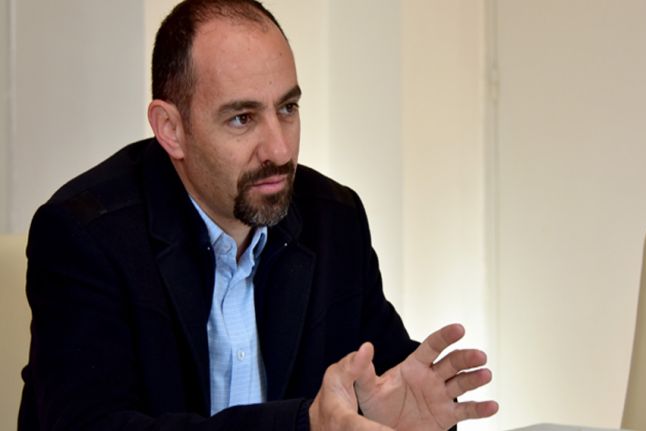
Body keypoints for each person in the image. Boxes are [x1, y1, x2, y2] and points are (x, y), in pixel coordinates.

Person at [18, 0, 498, 430]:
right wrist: (303, 425)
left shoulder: (335, 219)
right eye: (242, 118)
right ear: (171, 129)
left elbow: (383, 382)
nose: (280, 150)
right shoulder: (84, 235)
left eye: (287, 108)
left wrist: (400, 416)